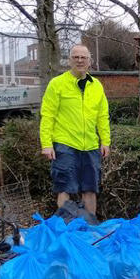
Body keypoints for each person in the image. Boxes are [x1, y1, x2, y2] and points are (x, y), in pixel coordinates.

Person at [39, 44, 110, 216]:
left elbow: (103, 116)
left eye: (83, 57)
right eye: (75, 57)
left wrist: (105, 141)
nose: (79, 60)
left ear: (89, 61)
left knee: (90, 189)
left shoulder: (97, 86)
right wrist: (46, 144)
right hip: (65, 145)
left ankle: (90, 229)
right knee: (64, 188)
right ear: (69, 60)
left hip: (91, 146)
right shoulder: (57, 84)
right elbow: (47, 115)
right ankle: (64, 230)